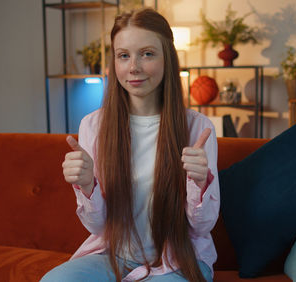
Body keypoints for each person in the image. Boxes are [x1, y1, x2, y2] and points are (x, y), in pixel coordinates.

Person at [41, 8, 219, 282]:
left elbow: (203, 225)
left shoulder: (198, 128)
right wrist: (87, 185)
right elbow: (98, 226)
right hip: (112, 254)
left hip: (179, 259)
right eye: (123, 55)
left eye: (147, 53)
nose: (133, 66)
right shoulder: (92, 126)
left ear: (167, 59)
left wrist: (199, 181)